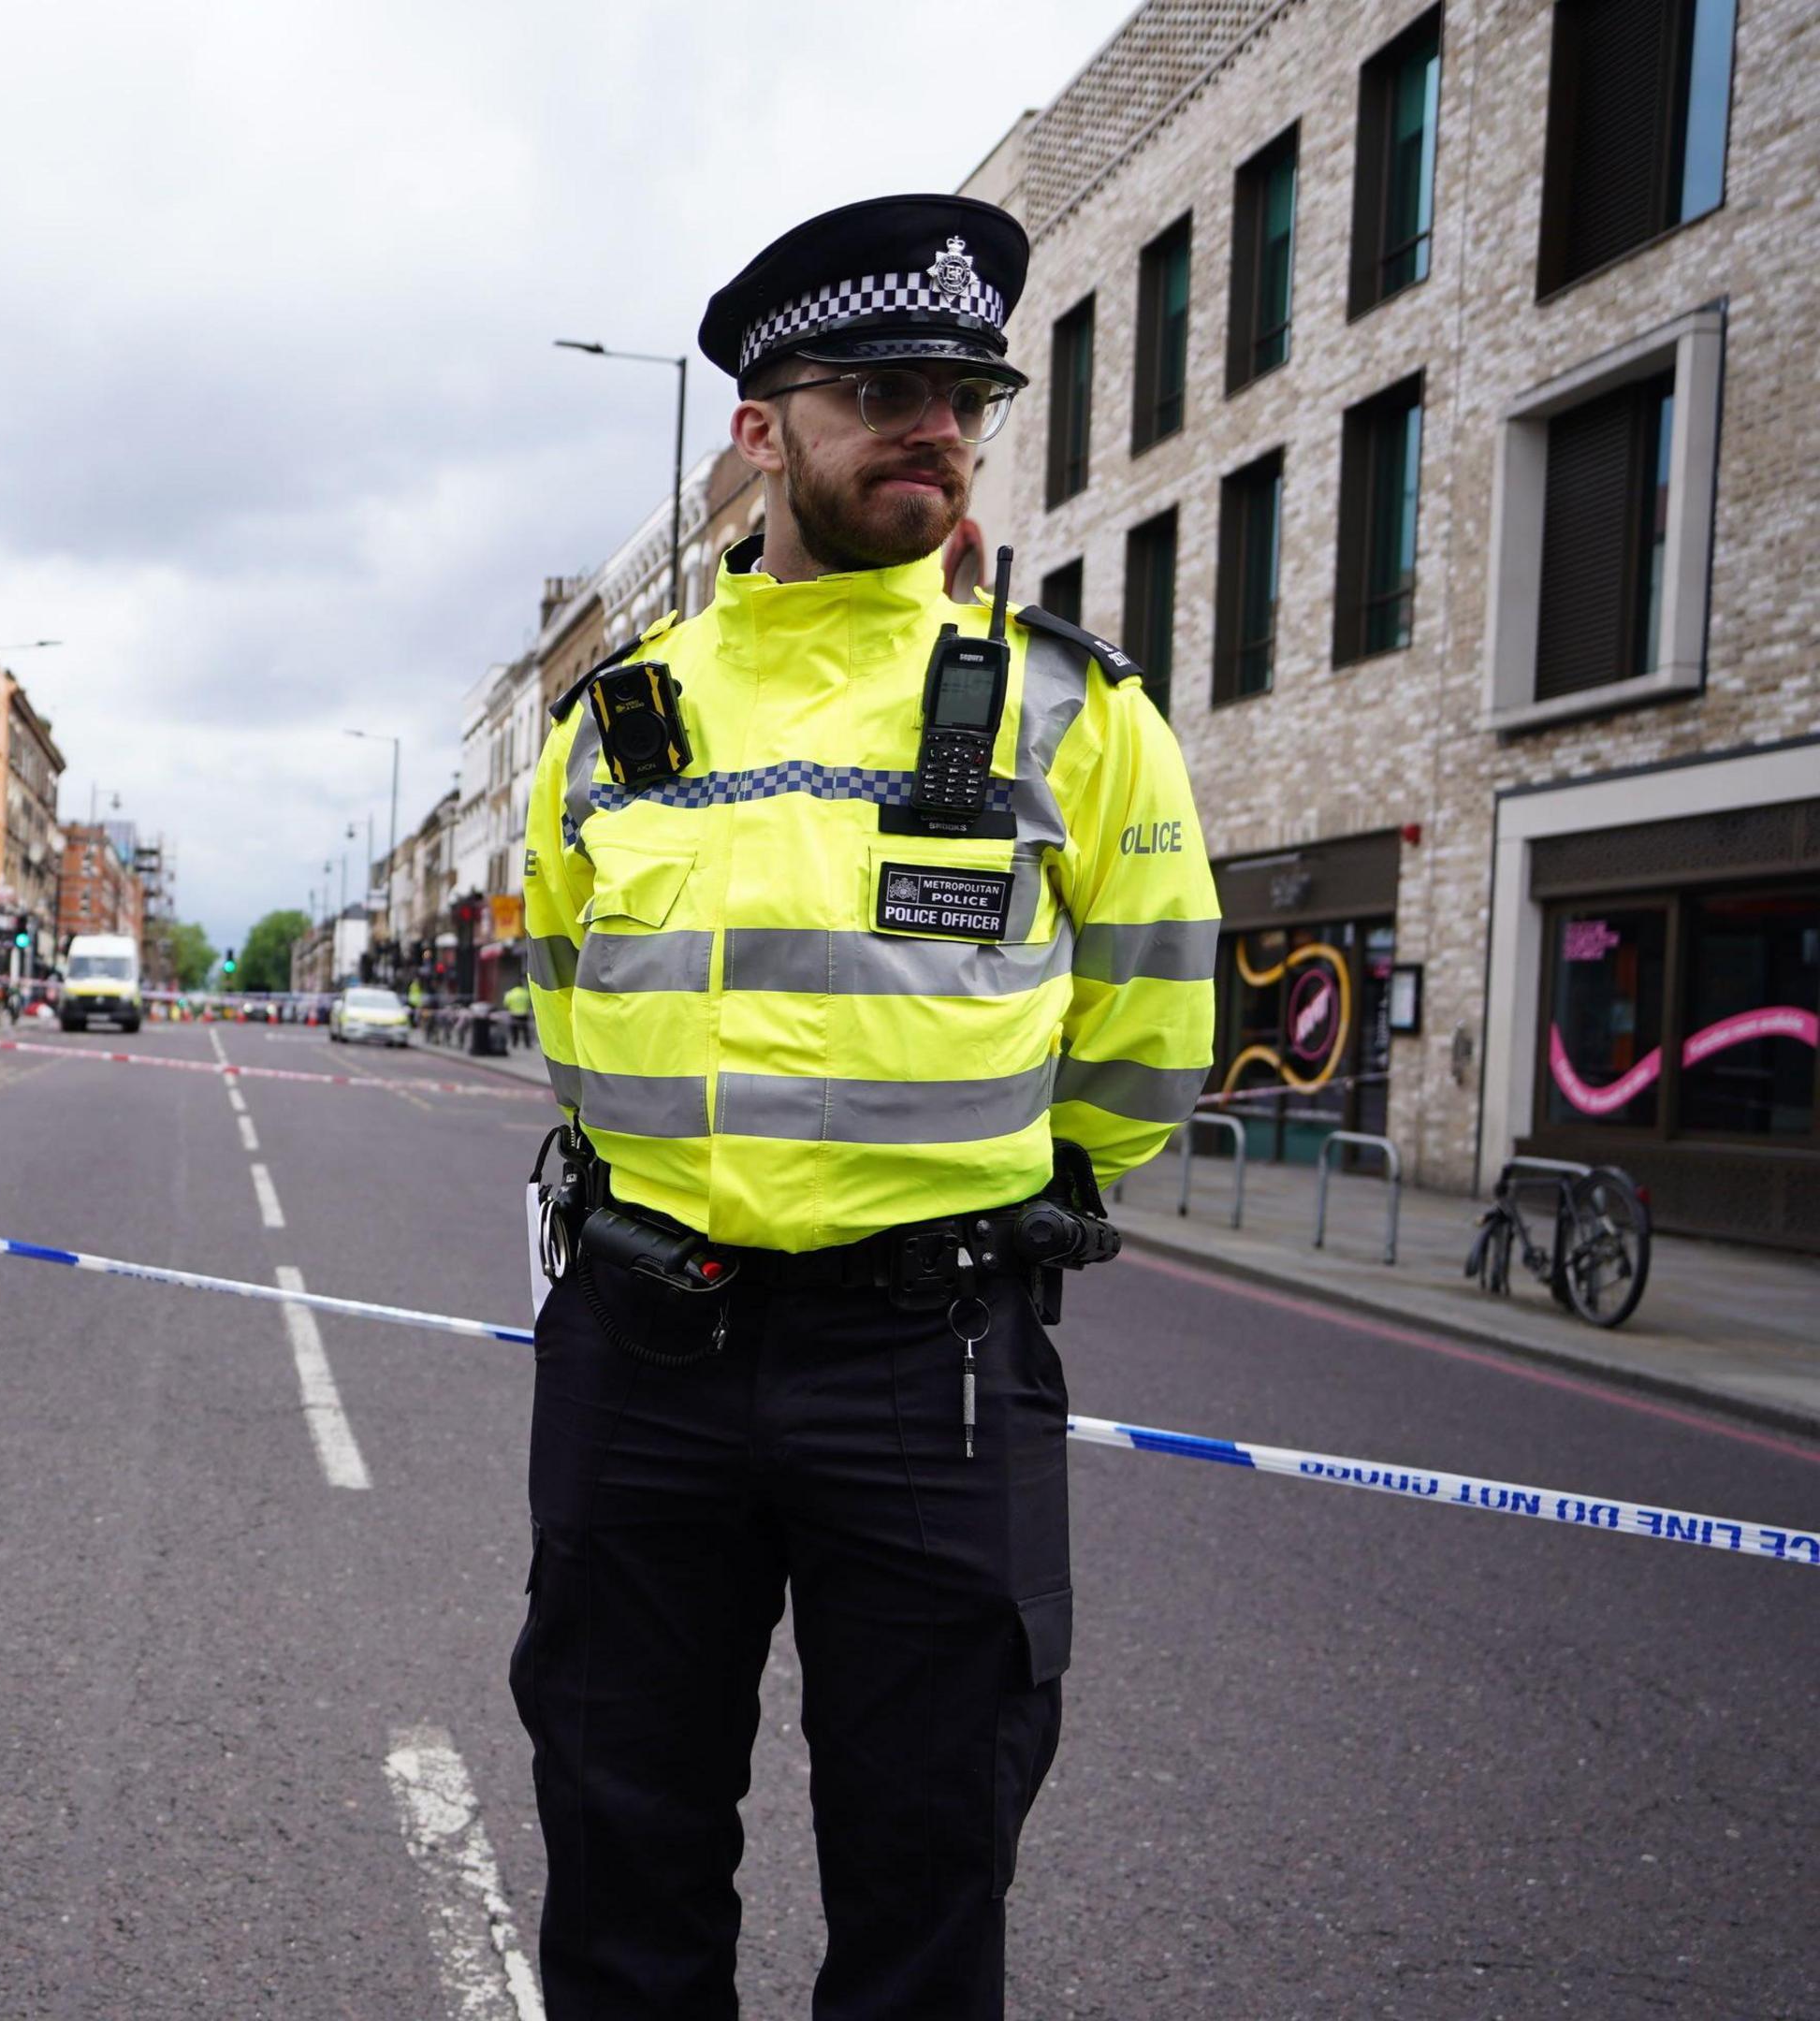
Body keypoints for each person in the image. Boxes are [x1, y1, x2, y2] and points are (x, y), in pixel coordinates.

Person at [512, 193, 1218, 2018]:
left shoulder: (1072, 713)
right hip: (646, 1343)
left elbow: (1151, 1021)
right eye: (885, 386)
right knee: (621, 1831)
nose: (939, 424)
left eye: (966, 391)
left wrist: (1022, 1201)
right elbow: (572, 1000)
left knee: (926, 1864)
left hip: (933, 1359)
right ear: (760, 430)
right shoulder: (621, 722)